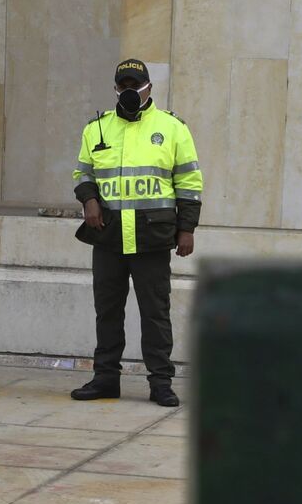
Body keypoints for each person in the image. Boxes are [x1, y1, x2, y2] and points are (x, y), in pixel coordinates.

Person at [69, 59, 202, 407]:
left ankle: (160, 383)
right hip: (109, 236)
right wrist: (89, 200)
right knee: (107, 312)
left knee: (155, 313)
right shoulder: (96, 129)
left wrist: (186, 228)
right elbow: (82, 174)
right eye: (124, 84)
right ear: (115, 88)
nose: (130, 90)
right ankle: (105, 379)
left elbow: (188, 182)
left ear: (149, 88)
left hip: (152, 238)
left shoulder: (172, 128)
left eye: (136, 84)